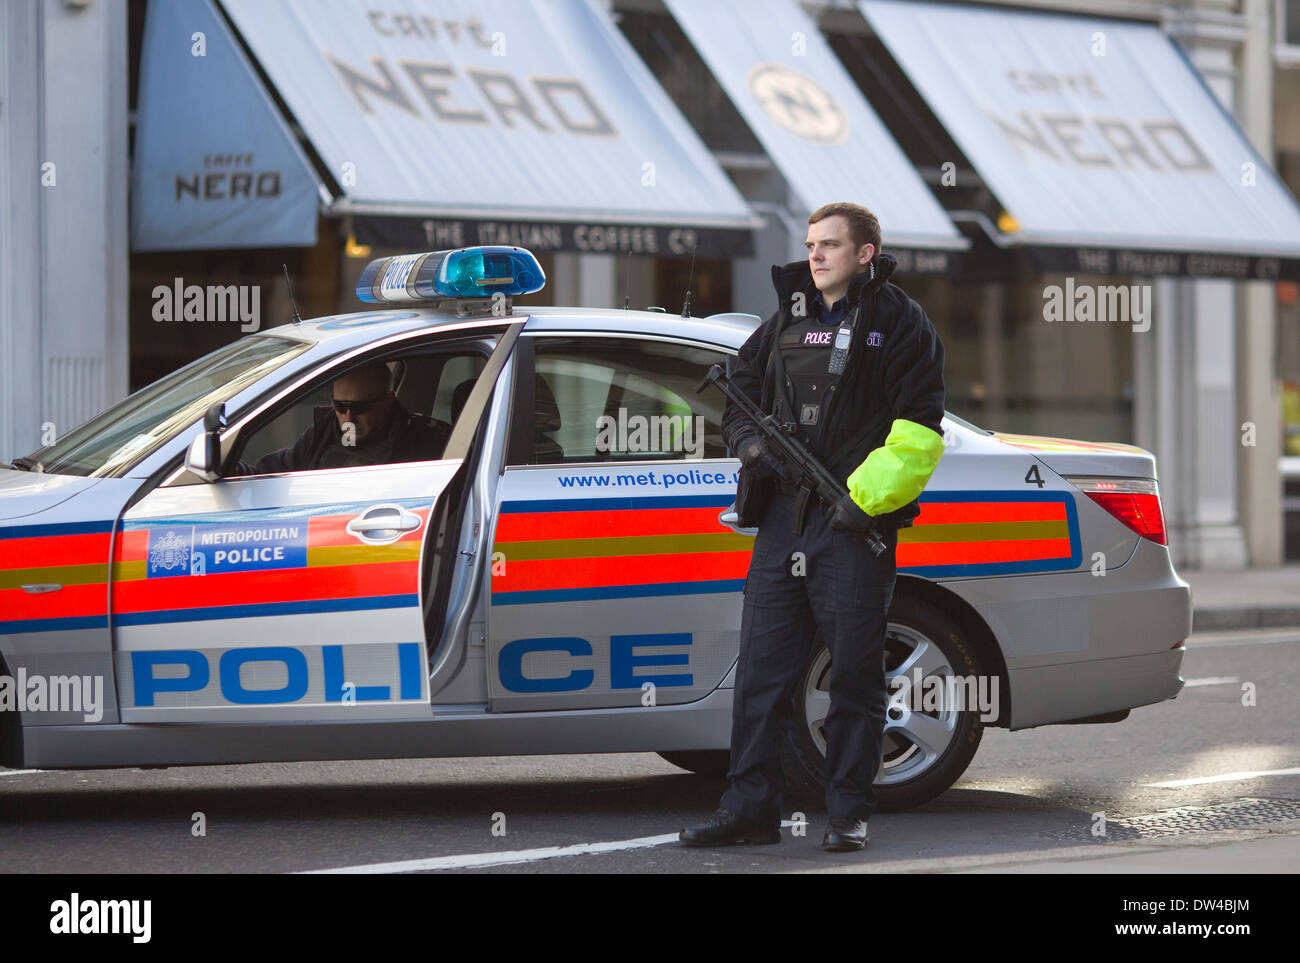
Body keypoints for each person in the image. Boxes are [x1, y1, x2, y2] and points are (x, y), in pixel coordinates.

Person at [679, 202, 946, 852]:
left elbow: (918, 430)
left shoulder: (900, 323)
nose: (816, 254)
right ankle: (749, 809)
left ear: (865, 254)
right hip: (781, 521)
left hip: (851, 526)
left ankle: (849, 811)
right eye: (810, 243)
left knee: (854, 673)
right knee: (761, 675)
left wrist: (865, 500)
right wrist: (750, 450)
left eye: (830, 244)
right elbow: (736, 394)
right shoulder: (786, 318)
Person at [237, 361, 448, 475]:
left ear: (388, 402)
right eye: (340, 406)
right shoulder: (323, 433)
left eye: (361, 407)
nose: (348, 417)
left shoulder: (422, 442)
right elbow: (273, 472)